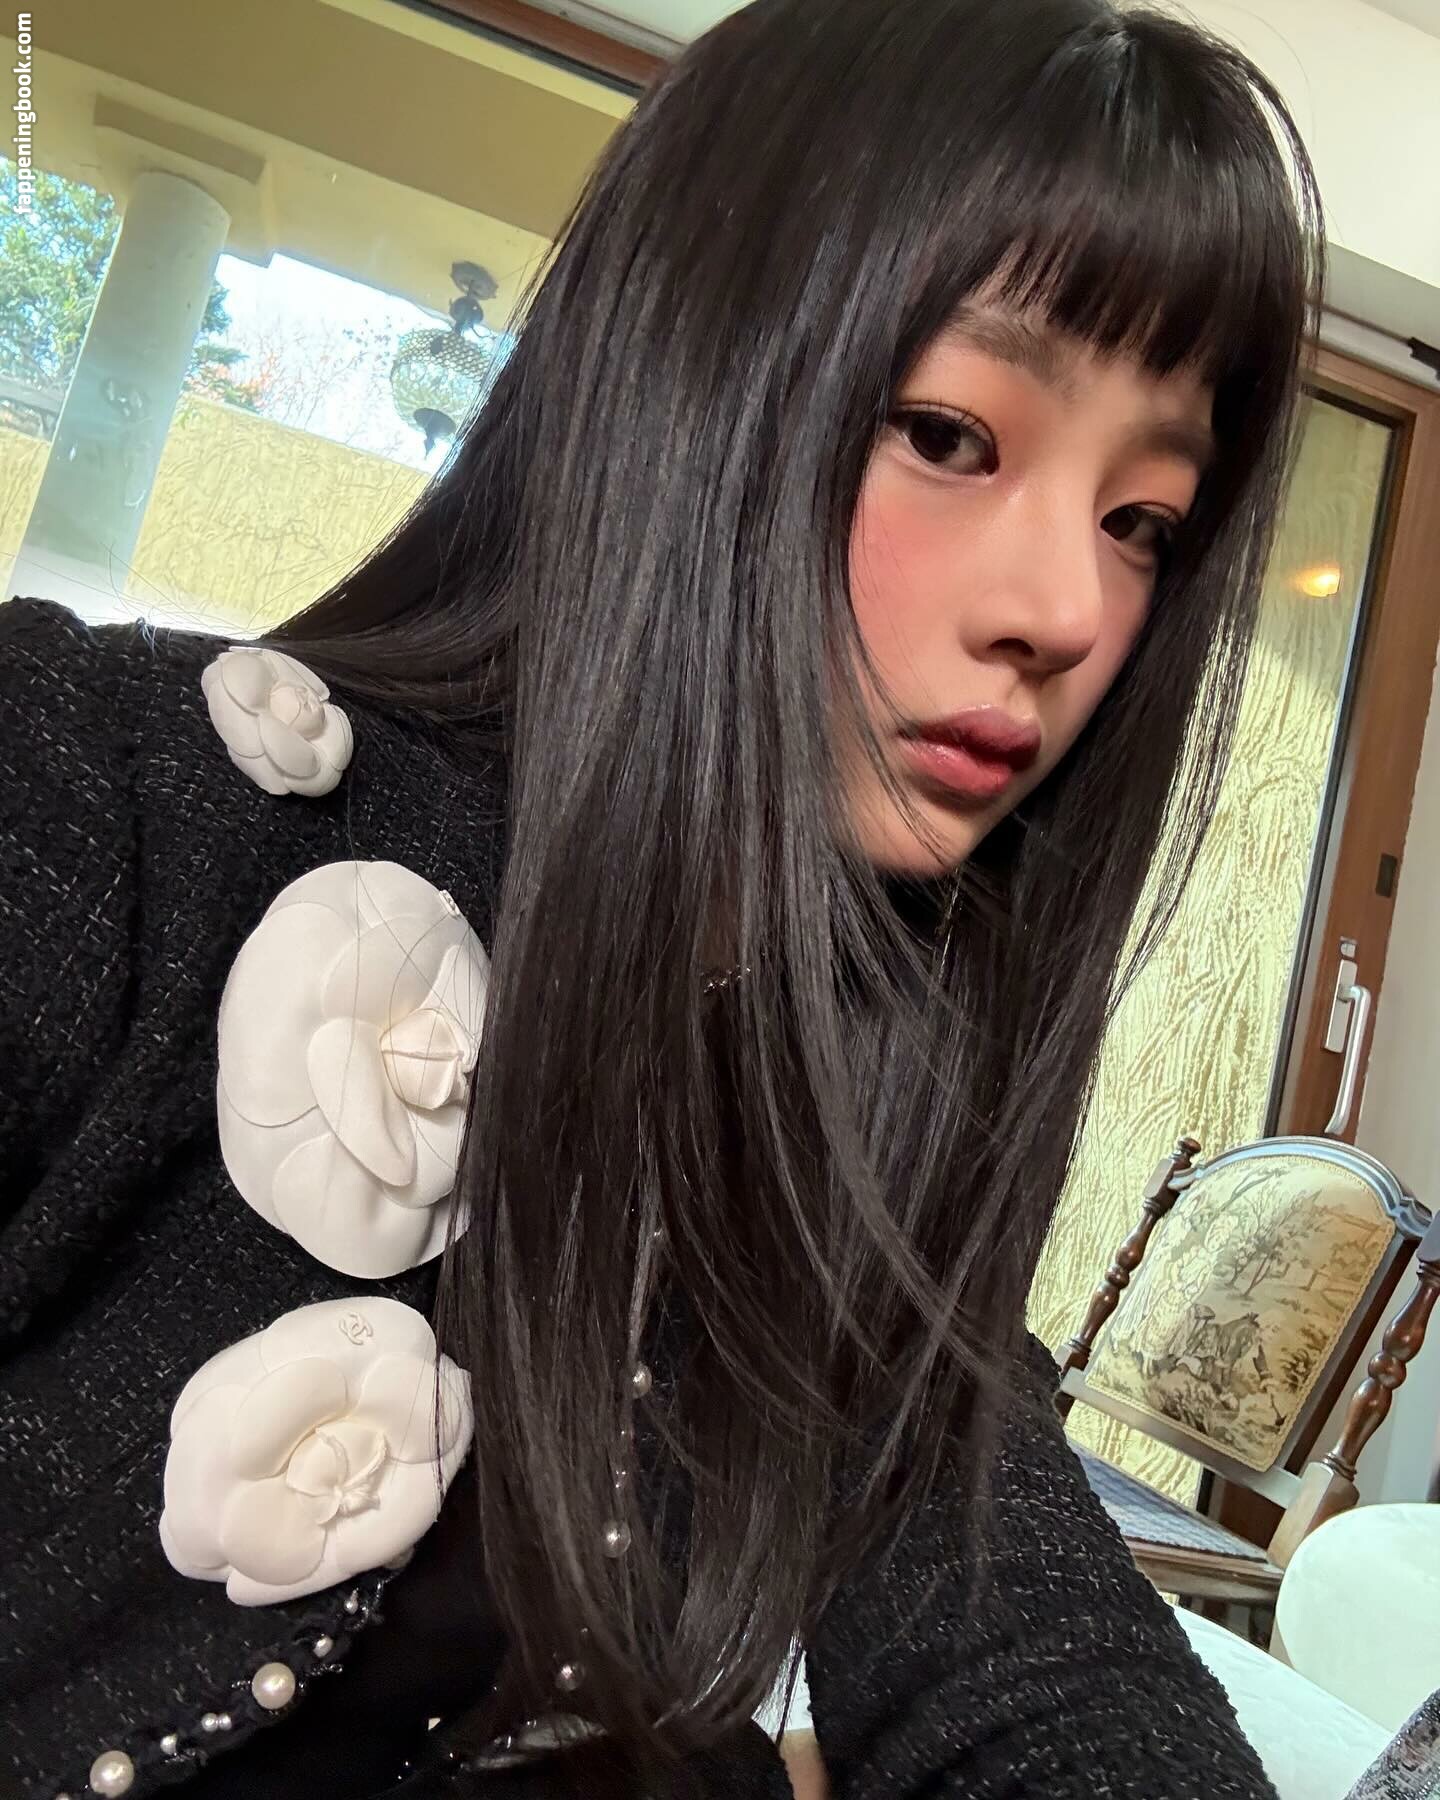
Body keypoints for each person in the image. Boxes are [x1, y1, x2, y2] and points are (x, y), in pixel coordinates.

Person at [0, 0, 1322, 1795]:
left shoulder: (844, 1124)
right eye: (951, 433)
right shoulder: (105, 791)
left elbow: (1040, 1653)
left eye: (1141, 520)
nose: (1071, 613)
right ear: (687, 374)